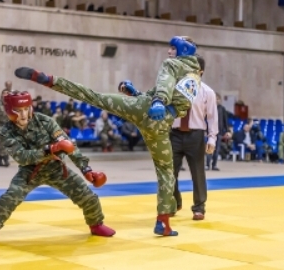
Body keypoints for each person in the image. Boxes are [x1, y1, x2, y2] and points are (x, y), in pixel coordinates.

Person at [14, 36, 200, 237]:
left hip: (147, 108)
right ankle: (163, 221)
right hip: (161, 123)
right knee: (166, 171)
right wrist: (136, 93)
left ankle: (50, 80)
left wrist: (158, 101)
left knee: (95, 97)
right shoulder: (195, 76)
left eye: (173, 48)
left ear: (183, 50)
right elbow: (177, 101)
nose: (169, 52)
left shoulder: (172, 64)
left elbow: (165, 81)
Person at [0, 91, 115, 245]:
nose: (23, 114)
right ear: (9, 111)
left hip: (55, 168)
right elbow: (22, 157)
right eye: (18, 110)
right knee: (12, 195)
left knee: (87, 195)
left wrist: (86, 169)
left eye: (26, 109)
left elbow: (69, 145)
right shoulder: (6, 132)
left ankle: (96, 224)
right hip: (30, 171)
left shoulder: (45, 121)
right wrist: (50, 149)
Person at [170, 55, 218, 220]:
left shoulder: (208, 92)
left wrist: (212, 138)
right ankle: (174, 202)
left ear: (201, 71)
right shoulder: (174, 88)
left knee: (198, 173)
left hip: (196, 135)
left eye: (193, 67)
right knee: (169, 172)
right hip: (174, 134)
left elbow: (212, 117)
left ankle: (199, 207)